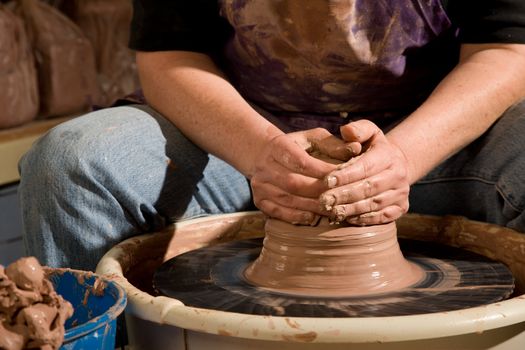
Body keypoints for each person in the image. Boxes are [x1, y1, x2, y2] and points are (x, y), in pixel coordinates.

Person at [18, 0, 525, 271]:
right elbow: (169, 57)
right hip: (240, 140)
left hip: (437, 146)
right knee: (71, 163)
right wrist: (260, 152)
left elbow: (506, 52)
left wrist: (403, 158)